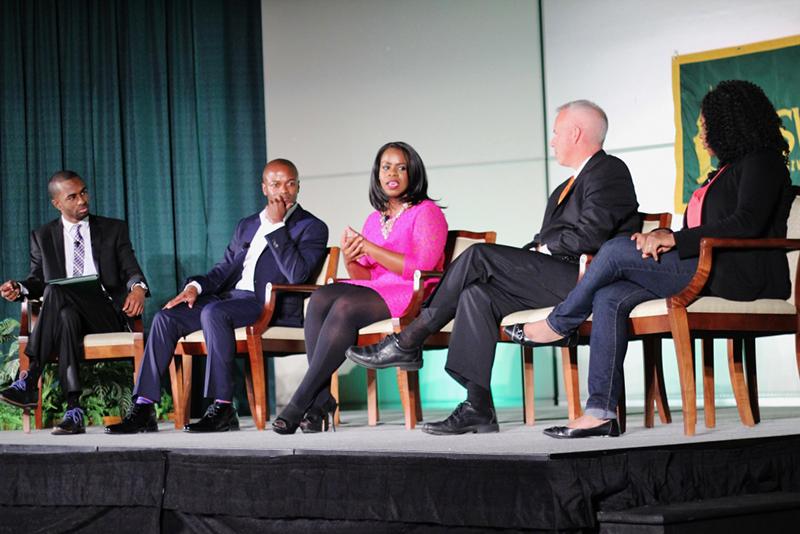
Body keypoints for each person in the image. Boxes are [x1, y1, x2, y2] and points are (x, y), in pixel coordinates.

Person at [512, 80, 793, 439]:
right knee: (608, 296)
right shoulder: (726, 170)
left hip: (742, 273)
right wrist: (661, 240)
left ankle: (559, 322)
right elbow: (708, 225)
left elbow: (747, 223)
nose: (701, 132)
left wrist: (671, 238)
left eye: (706, 124)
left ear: (730, 122)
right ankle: (600, 412)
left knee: (615, 250)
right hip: (708, 266)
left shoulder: (762, 161)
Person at [346, 101, 640, 435]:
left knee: (479, 256)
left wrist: (543, 248)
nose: (553, 140)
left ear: (575, 133)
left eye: (556, 132)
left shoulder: (609, 170)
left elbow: (592, 234)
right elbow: (547, 238)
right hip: (552, 276)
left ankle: (409, 338)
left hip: (585, 279)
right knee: (476, 294)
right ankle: (478, 406)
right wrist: (538, 249)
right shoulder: (562, 189)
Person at [105, 158, 328, 434]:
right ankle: (143, 406)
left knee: (213, 313)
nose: (283, 191)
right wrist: (194, 288)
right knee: (165, 318)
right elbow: (223, 269)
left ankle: (223, 407)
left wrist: (277, 227)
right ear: (264, 188)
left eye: (290, 184)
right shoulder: (247, 225)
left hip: (268, 305)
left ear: (297, 187)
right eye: (276, 184)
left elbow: (297, 275)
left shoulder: (311, 227)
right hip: (230, 299)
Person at [272, 141, 448, 434]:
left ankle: (302, 401)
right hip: (379, 291)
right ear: (377, 174)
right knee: (321, 297)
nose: (392, 173)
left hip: (413, 292)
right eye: (386, 166)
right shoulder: (374, 219)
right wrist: (352, 257)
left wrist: (369, 247)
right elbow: (365, 278)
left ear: (413, 173)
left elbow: (420, 266)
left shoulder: (427, 212)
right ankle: (320, 400)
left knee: (344, 307)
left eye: (401, 167)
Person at [0, 170, 149, 435]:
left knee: (56, 291)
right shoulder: (42, 236)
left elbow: (131, 269)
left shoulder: (113, 229)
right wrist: (19, 287)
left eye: (84, 192)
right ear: (57, 203)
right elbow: (36, 280)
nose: (82, 200)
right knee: (65, 311)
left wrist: (137, 288)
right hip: (68, 318)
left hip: (105, 315)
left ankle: (31, 377)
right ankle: (73, 411)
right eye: (73, 196)